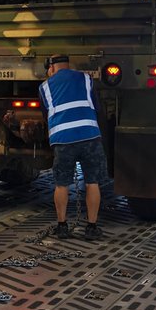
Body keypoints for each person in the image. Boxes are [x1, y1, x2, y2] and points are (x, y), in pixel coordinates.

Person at [39, 54, 108, 240]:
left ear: (51, 68)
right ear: (68, 66)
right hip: (89, 136)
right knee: (92, 182)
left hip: (63, 139)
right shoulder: (86, 79)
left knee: (61, 184)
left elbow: (46, 112)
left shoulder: (45, 86)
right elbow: (97, 108)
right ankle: (91, 227)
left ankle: (62, 227)